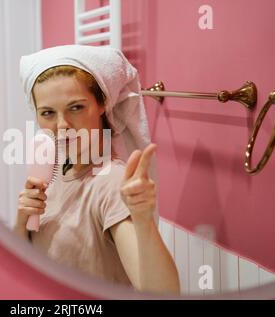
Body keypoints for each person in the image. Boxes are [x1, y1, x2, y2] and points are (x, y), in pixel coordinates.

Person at [13, 46, 180, 295]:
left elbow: (162, 293)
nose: (62, 125)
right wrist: (22, 219)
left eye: (76, 107)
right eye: (48, 113)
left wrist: (143, 221)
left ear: (101, 103)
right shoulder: (53, 173)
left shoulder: (111, 182)